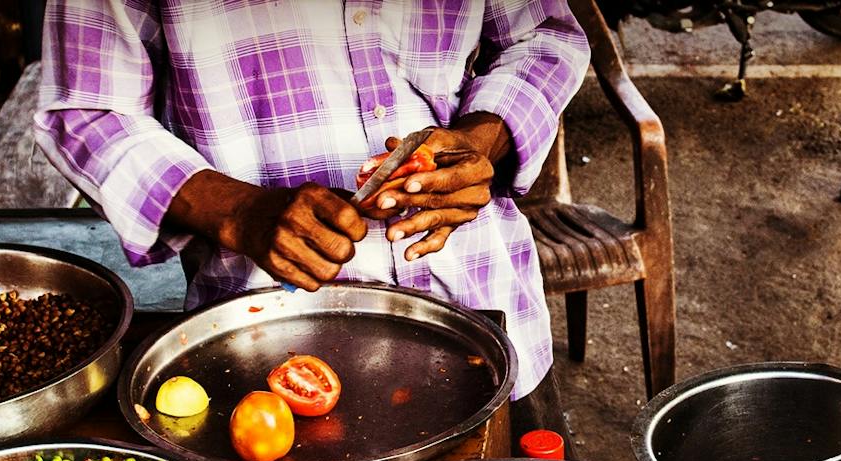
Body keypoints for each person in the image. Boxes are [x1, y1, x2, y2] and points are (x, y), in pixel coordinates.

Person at [34, 1, 590, 398]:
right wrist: (239, 211)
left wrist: (480, 140)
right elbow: (87, 109)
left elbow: (543, 36)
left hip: (483, 296)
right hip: (264, 344)